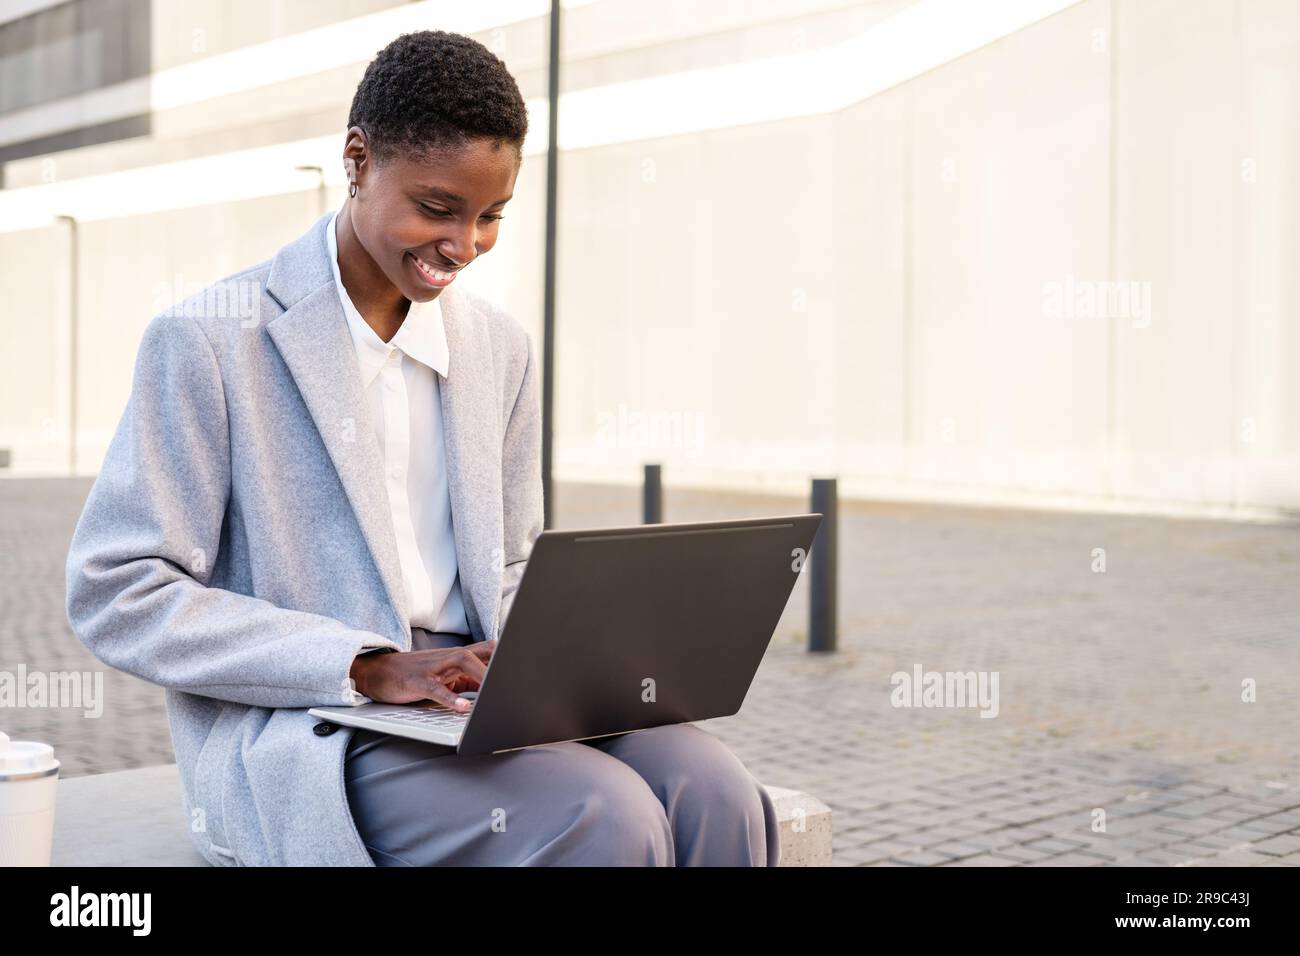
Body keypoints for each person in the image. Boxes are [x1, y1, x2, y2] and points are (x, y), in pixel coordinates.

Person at [65, 29, 779, 867]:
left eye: (491, 216)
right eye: (438, 208)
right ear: (358, 160)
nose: (464, 244)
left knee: (716, 789)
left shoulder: (498, 350)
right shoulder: (209, 342)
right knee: (602, 815)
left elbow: (510, 567)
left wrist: (576, 659)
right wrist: (365, 664)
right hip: (314, 726)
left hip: (479, 698)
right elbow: (119, 591)